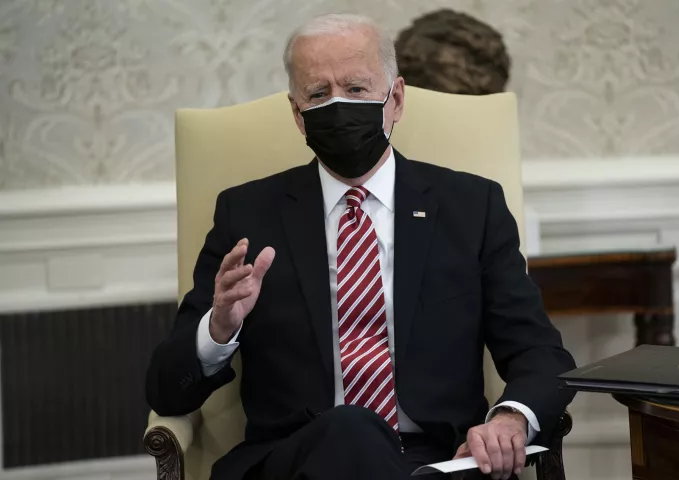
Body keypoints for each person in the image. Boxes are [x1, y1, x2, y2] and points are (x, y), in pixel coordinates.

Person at [146, 13, 575, 480]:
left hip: (439, 461)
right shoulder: (247, 215)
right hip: (297, 460)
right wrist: (217, 330)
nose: (338, 106)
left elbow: (540, 353)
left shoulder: (471, 208)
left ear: (396, 99)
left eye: (355, 88)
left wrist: (510, 418)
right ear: (297, 114)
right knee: (350, 429)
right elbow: (166, 391)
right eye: (318, 94)